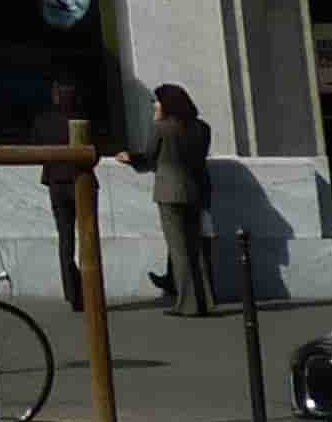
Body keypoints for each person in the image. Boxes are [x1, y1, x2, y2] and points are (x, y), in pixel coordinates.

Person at [114, 83, 219, 316]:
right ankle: (205, 301)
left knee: (179, 250)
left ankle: (188, 305)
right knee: (196, 249)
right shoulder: (203, 128)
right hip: (197, 191)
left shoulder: (161, 127)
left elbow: (150, 158)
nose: (155, 105)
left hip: (170, 192)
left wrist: (130, 158)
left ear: (167, 104)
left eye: (157, 101)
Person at [35, 77, 94, 311]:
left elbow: (37, 150)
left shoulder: (43, 121)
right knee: (88, 238)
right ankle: (89, 289)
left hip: (57, 183)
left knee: (65, 240)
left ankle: (73, 293)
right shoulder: (82, 119)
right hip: (81, 181)